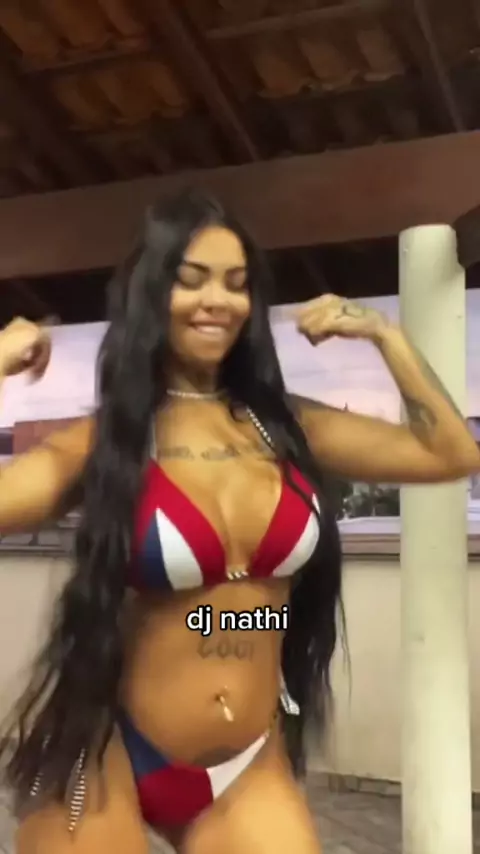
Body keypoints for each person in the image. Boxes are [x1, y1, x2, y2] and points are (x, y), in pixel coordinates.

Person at [0, 191, 478, 854]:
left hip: (245, 766)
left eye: (236, 283)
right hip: (109, 753)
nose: (216, 301)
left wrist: (385, 336)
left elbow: (450, 452)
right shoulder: (108, 444)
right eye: (191, 280)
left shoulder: (284, 427)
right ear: (149, 293)